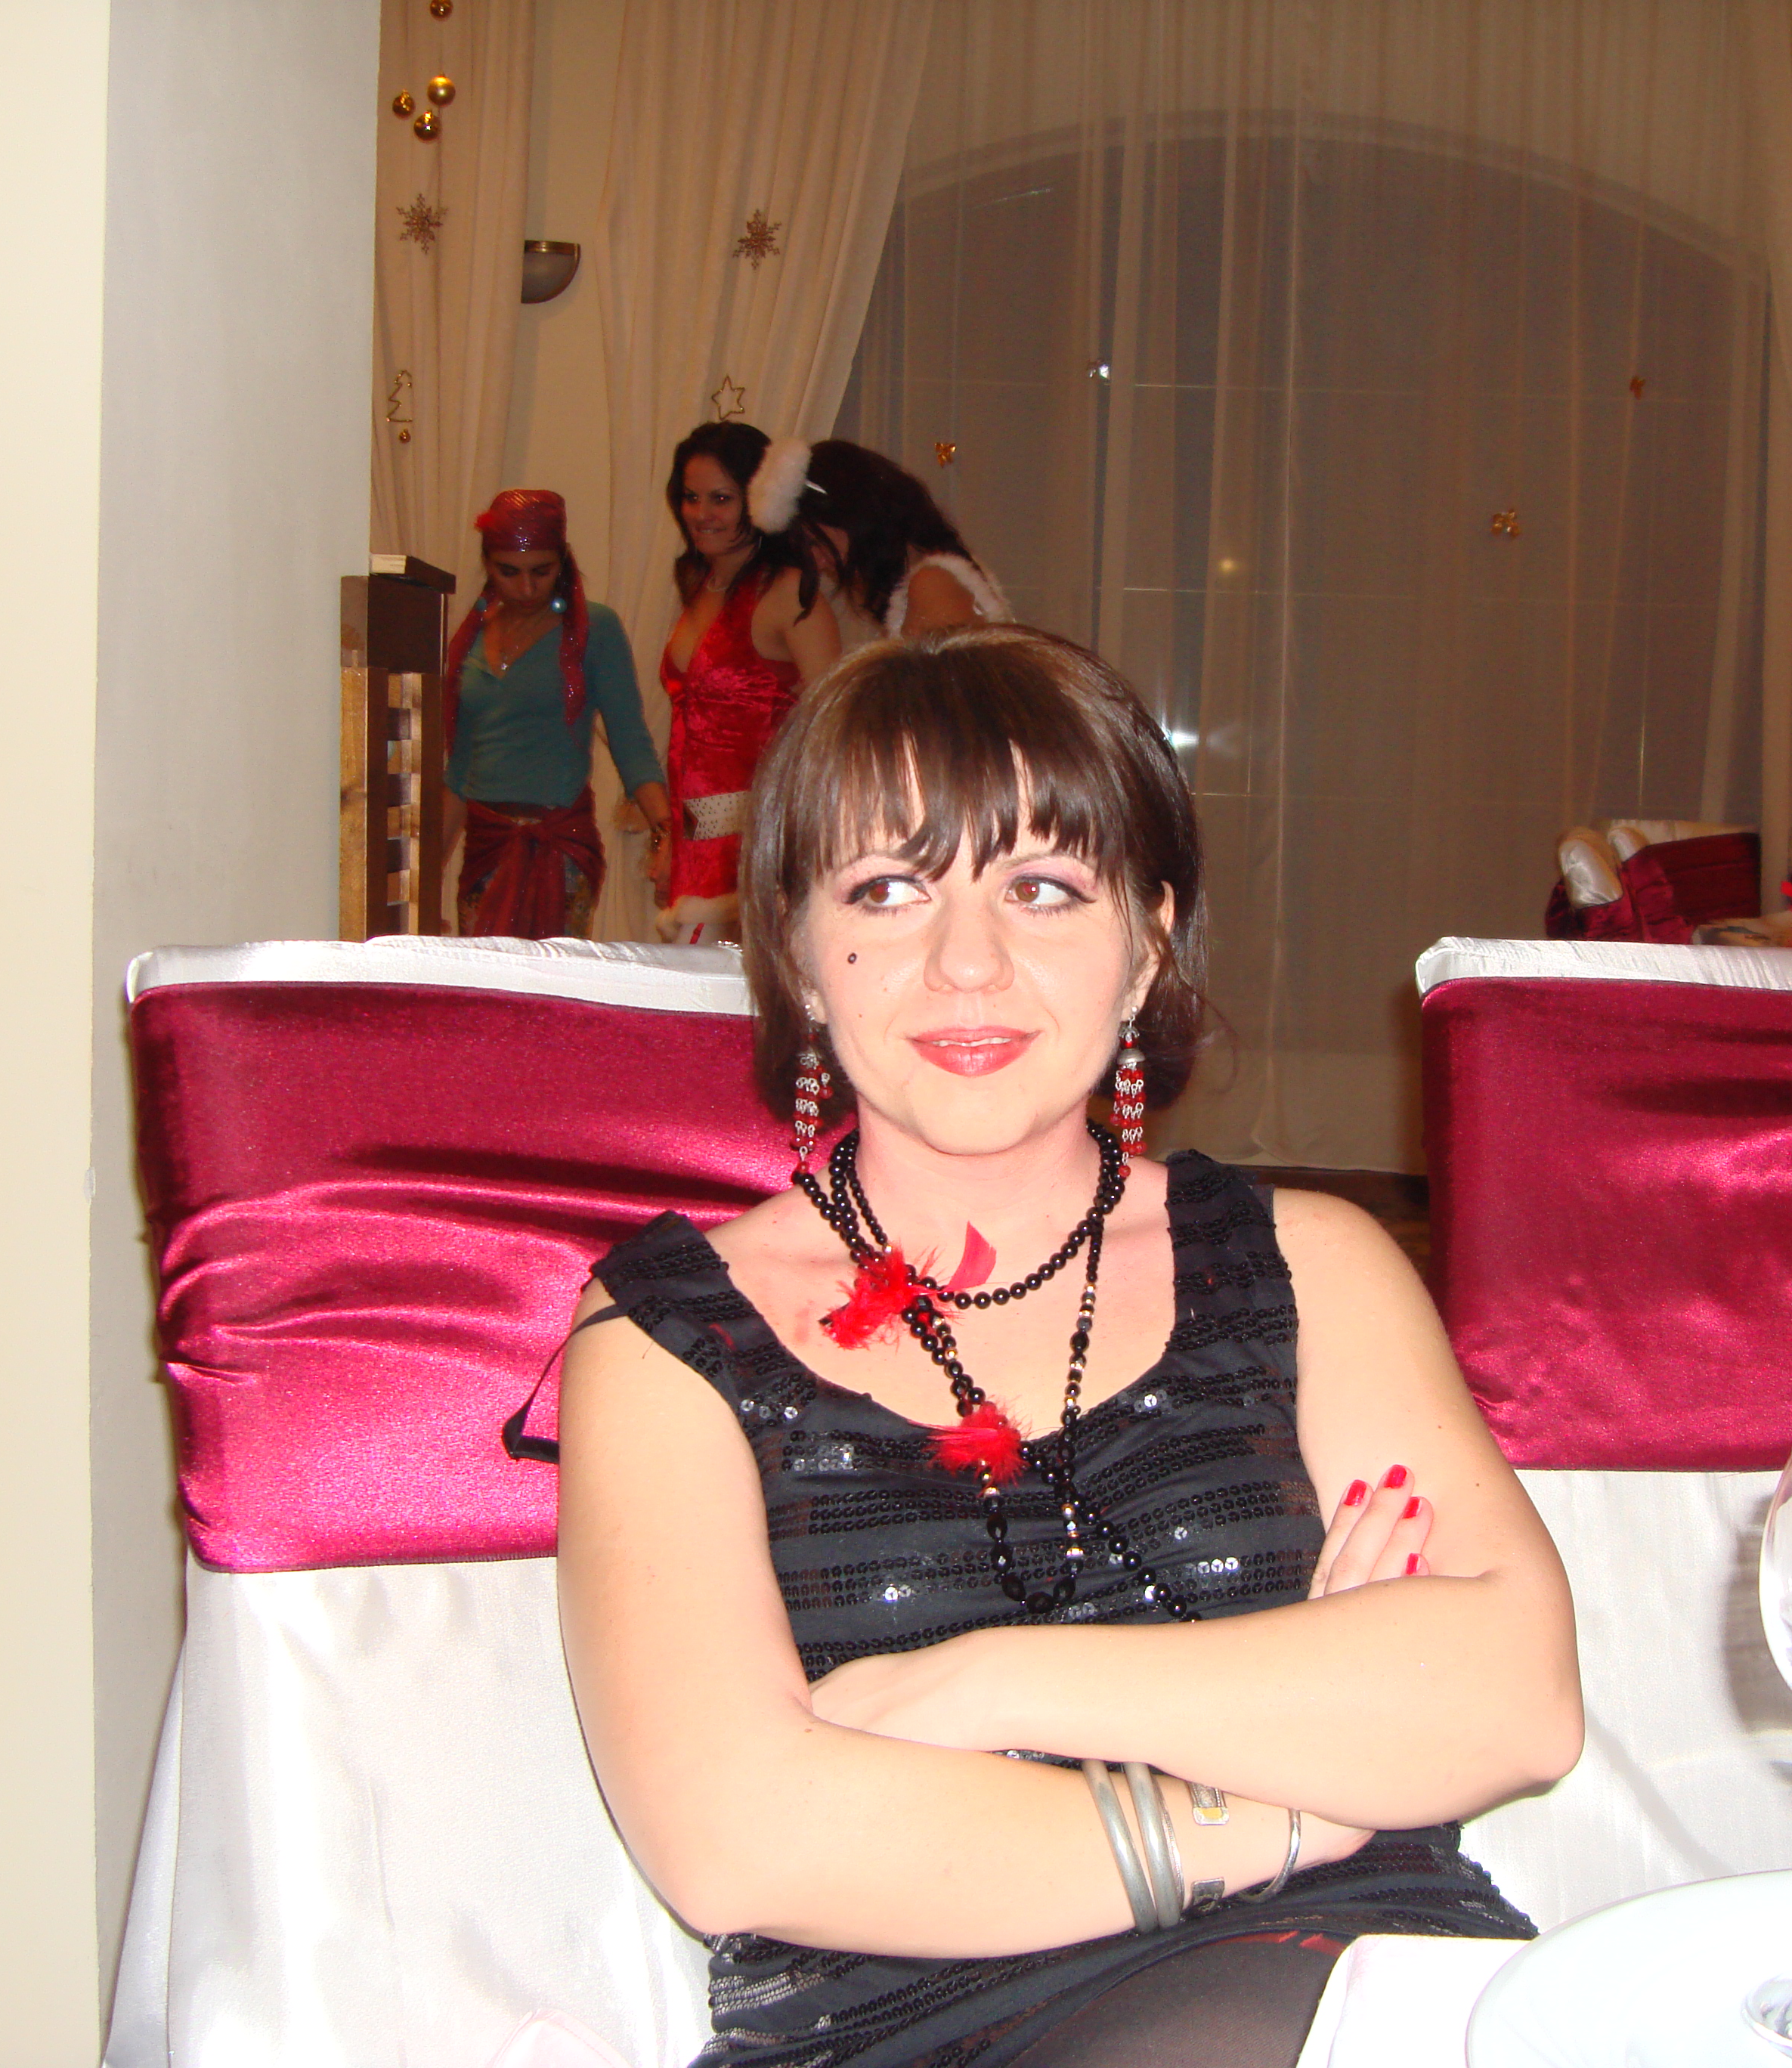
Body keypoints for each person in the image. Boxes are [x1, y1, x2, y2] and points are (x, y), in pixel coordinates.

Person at [556, 627, 1580, 2067]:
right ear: (793, 948)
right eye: (888, 889)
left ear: (1146, 943)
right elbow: (739, 1833)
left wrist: (989, 1680)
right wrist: (1282, 1808)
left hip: (1375, 1986)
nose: (966, 963)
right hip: (921, 2029)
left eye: (1041, 888)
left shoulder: (1307, 1265)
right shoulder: (670, 1335)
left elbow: (1515, 1697)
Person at [438, 490, 669, 938]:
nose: (526, 588)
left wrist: (666, 836)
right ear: (487, 564)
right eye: (509, 572)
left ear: (562, 563)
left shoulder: (594, 629)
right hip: (486, 845)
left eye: (541, 571)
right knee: (484, 977)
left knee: (553, 974)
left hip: (559, 848)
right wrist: (425, 879)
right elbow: (460, 769)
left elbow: (631, 744)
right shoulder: (471, 637)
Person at [658, 422, 843, 942]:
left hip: (757, 853)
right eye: (691, 497)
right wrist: (670, 841)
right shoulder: (700, 584)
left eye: (721, 499)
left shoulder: (789, 593)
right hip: (692, 846)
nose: (701, 514)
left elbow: (836, 730)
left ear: (758, 501)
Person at [748, 437, 1014, 651]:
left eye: (817, 542)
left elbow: (950, 697)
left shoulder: (932, 584)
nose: (818, 561)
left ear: (856, 518)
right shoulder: (928, 576)